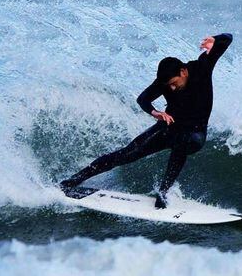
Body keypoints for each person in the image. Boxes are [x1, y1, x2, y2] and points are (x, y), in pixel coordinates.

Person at [60, 33, 233, 209]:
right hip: (169, 126)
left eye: (174, 83)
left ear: (183, 71)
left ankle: (163, 192)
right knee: (127, 153)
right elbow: (143, 99)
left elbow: (227, 38)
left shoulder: (202, 67)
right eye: (168, 86)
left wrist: (215, 39)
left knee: (184, 142)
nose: (172, 88)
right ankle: (74, 180)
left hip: (195, 131)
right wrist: (155, 112)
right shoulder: (164, 82)